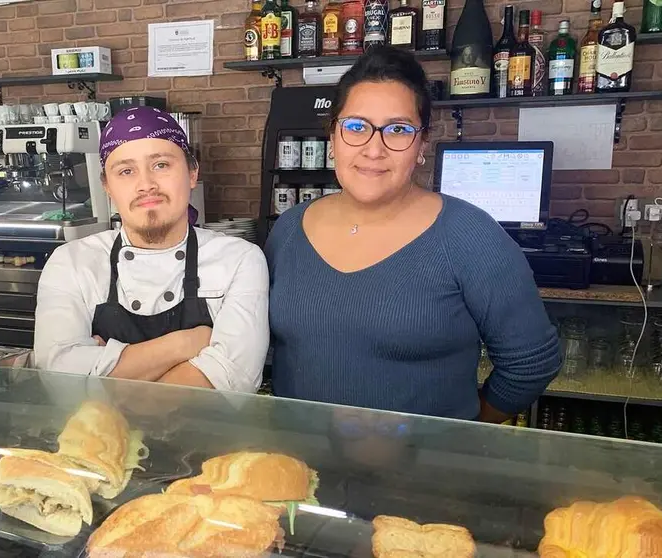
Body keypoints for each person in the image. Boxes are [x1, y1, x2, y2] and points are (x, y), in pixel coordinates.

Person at [265, 46, 560, 422]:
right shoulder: (289, 229)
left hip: (422, 475)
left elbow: (531, 363)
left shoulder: (469, 235)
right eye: (356, 127)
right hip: (299, 466)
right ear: (333, 137)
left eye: (398, 130)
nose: (374, 149)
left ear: (421, 144)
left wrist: (458, 437)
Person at [35, 107, 269, 392]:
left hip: (206, 436)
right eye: (126, 171)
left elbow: (234, 381)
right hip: (100, 438)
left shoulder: (239, 259)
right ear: (107, 186)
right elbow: (58, 380)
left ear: (192, 173)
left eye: (161, 165)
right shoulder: (71, 263)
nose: (146, 184)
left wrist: (103, 376)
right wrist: (185, 344)